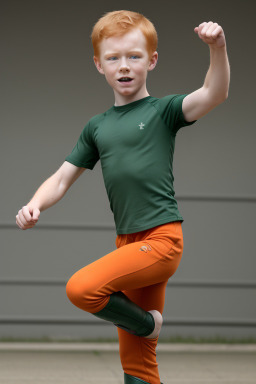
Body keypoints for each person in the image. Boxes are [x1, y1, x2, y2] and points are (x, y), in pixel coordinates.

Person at [16, 10, 230, 384]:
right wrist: (35, 203)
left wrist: (218, 48)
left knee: (82, 288)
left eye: (134, 56)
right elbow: (63, 178)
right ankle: (145, 331)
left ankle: (149, 325)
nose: (124, 66)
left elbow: (215, 93)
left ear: (152, 60)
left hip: (162, 240)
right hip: (127, 244)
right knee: (137, 366)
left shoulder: (163, 111)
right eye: (113, 58)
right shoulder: (97, 127)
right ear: (99, 65)